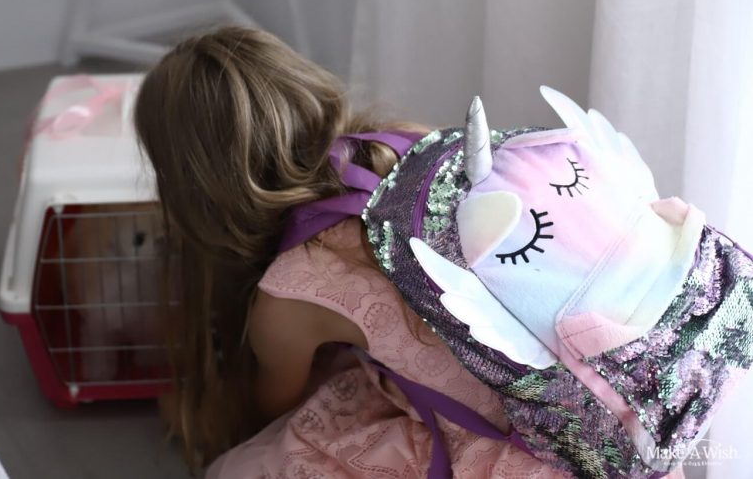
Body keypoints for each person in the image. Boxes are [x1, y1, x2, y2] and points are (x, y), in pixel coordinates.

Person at [133, 26, 593, 478]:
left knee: (243, 467)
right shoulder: (407, 141)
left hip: (529, 456)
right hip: (606, 399)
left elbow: (272, 410)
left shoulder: (290, 291)